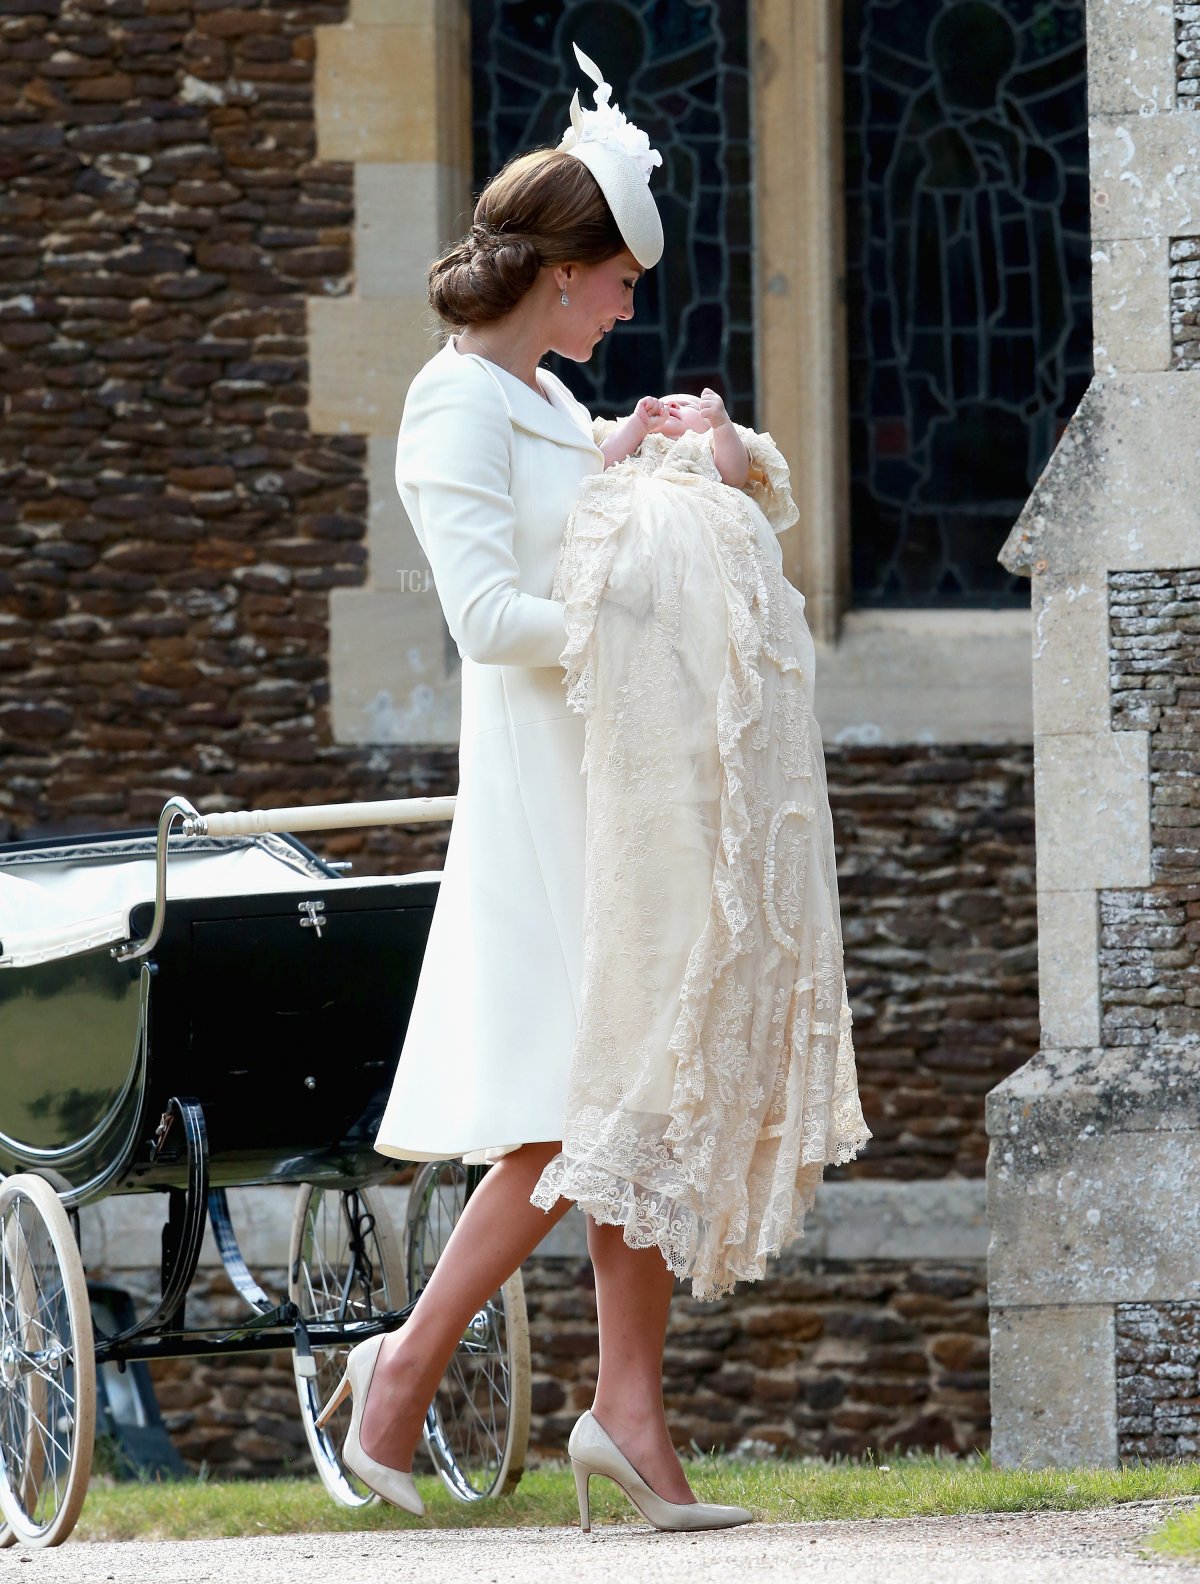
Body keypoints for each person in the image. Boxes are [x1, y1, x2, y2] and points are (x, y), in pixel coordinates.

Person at [316, 46, 755, 1533]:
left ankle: (628, 1416)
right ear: (562, 275)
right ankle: (401, 1370)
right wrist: (629, 589)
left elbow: (580, 522)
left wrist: (638, 456)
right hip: (551, 793)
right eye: (620, 279)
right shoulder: (455, 408)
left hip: (614, 787)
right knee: (585, 1111)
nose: (632, 303)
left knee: (631, 1093)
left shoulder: (549, 401)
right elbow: (490, 620)